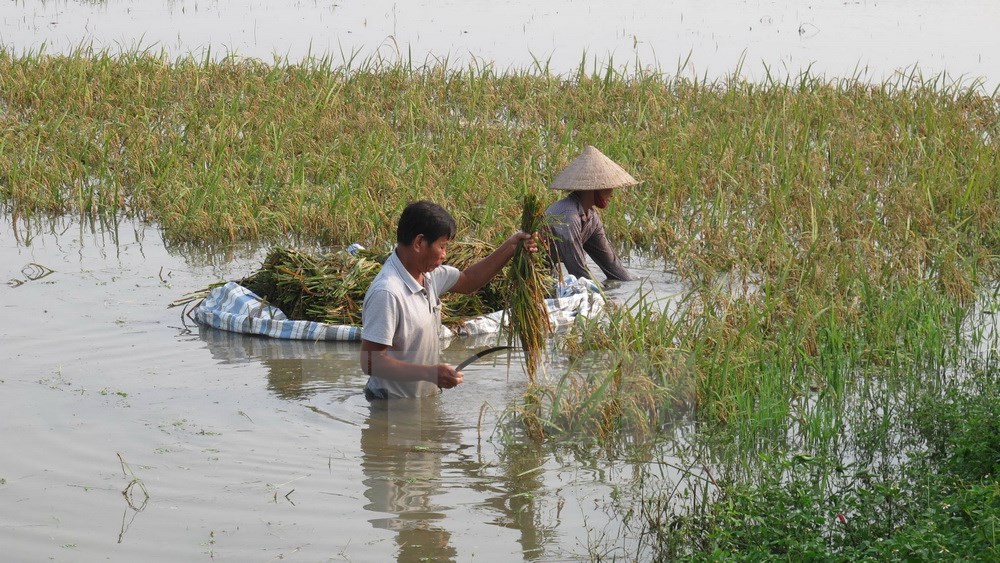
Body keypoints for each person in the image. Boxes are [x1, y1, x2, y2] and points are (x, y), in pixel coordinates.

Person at [359, 200, 536, 400]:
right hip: (391, 408)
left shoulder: (428, 276)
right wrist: (430, 373)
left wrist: (512, 246)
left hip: (421, 400)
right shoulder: (388, 292)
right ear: (419, 243)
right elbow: (370, 362)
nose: (444, 255)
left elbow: (469, 281)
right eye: (442, 246)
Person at [545, 145, 638, 284]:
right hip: (535, 273)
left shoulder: (591, 219)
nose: (612, 194)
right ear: (593, 189)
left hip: (549, 274)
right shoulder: (569, 217)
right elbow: (577, 271)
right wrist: (603, 296)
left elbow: (612, 266)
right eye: (607, 187)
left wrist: (633, 285)